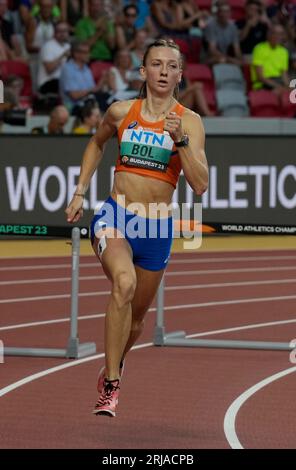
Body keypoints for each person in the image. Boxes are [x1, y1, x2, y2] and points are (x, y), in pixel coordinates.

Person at [65, 38, 208, 418]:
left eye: (171, 66)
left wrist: (180, 140)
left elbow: (200, 183)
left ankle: (114, 363)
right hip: (117, 215)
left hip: (158, 227)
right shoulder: (120, 111)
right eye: (156, 64)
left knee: (139, 318)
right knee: (123, 284)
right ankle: (111, 386)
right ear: (143, 72)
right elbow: (95, 145)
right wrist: (80, 191)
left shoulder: (190, 121)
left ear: (179, 74)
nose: (163, 71)